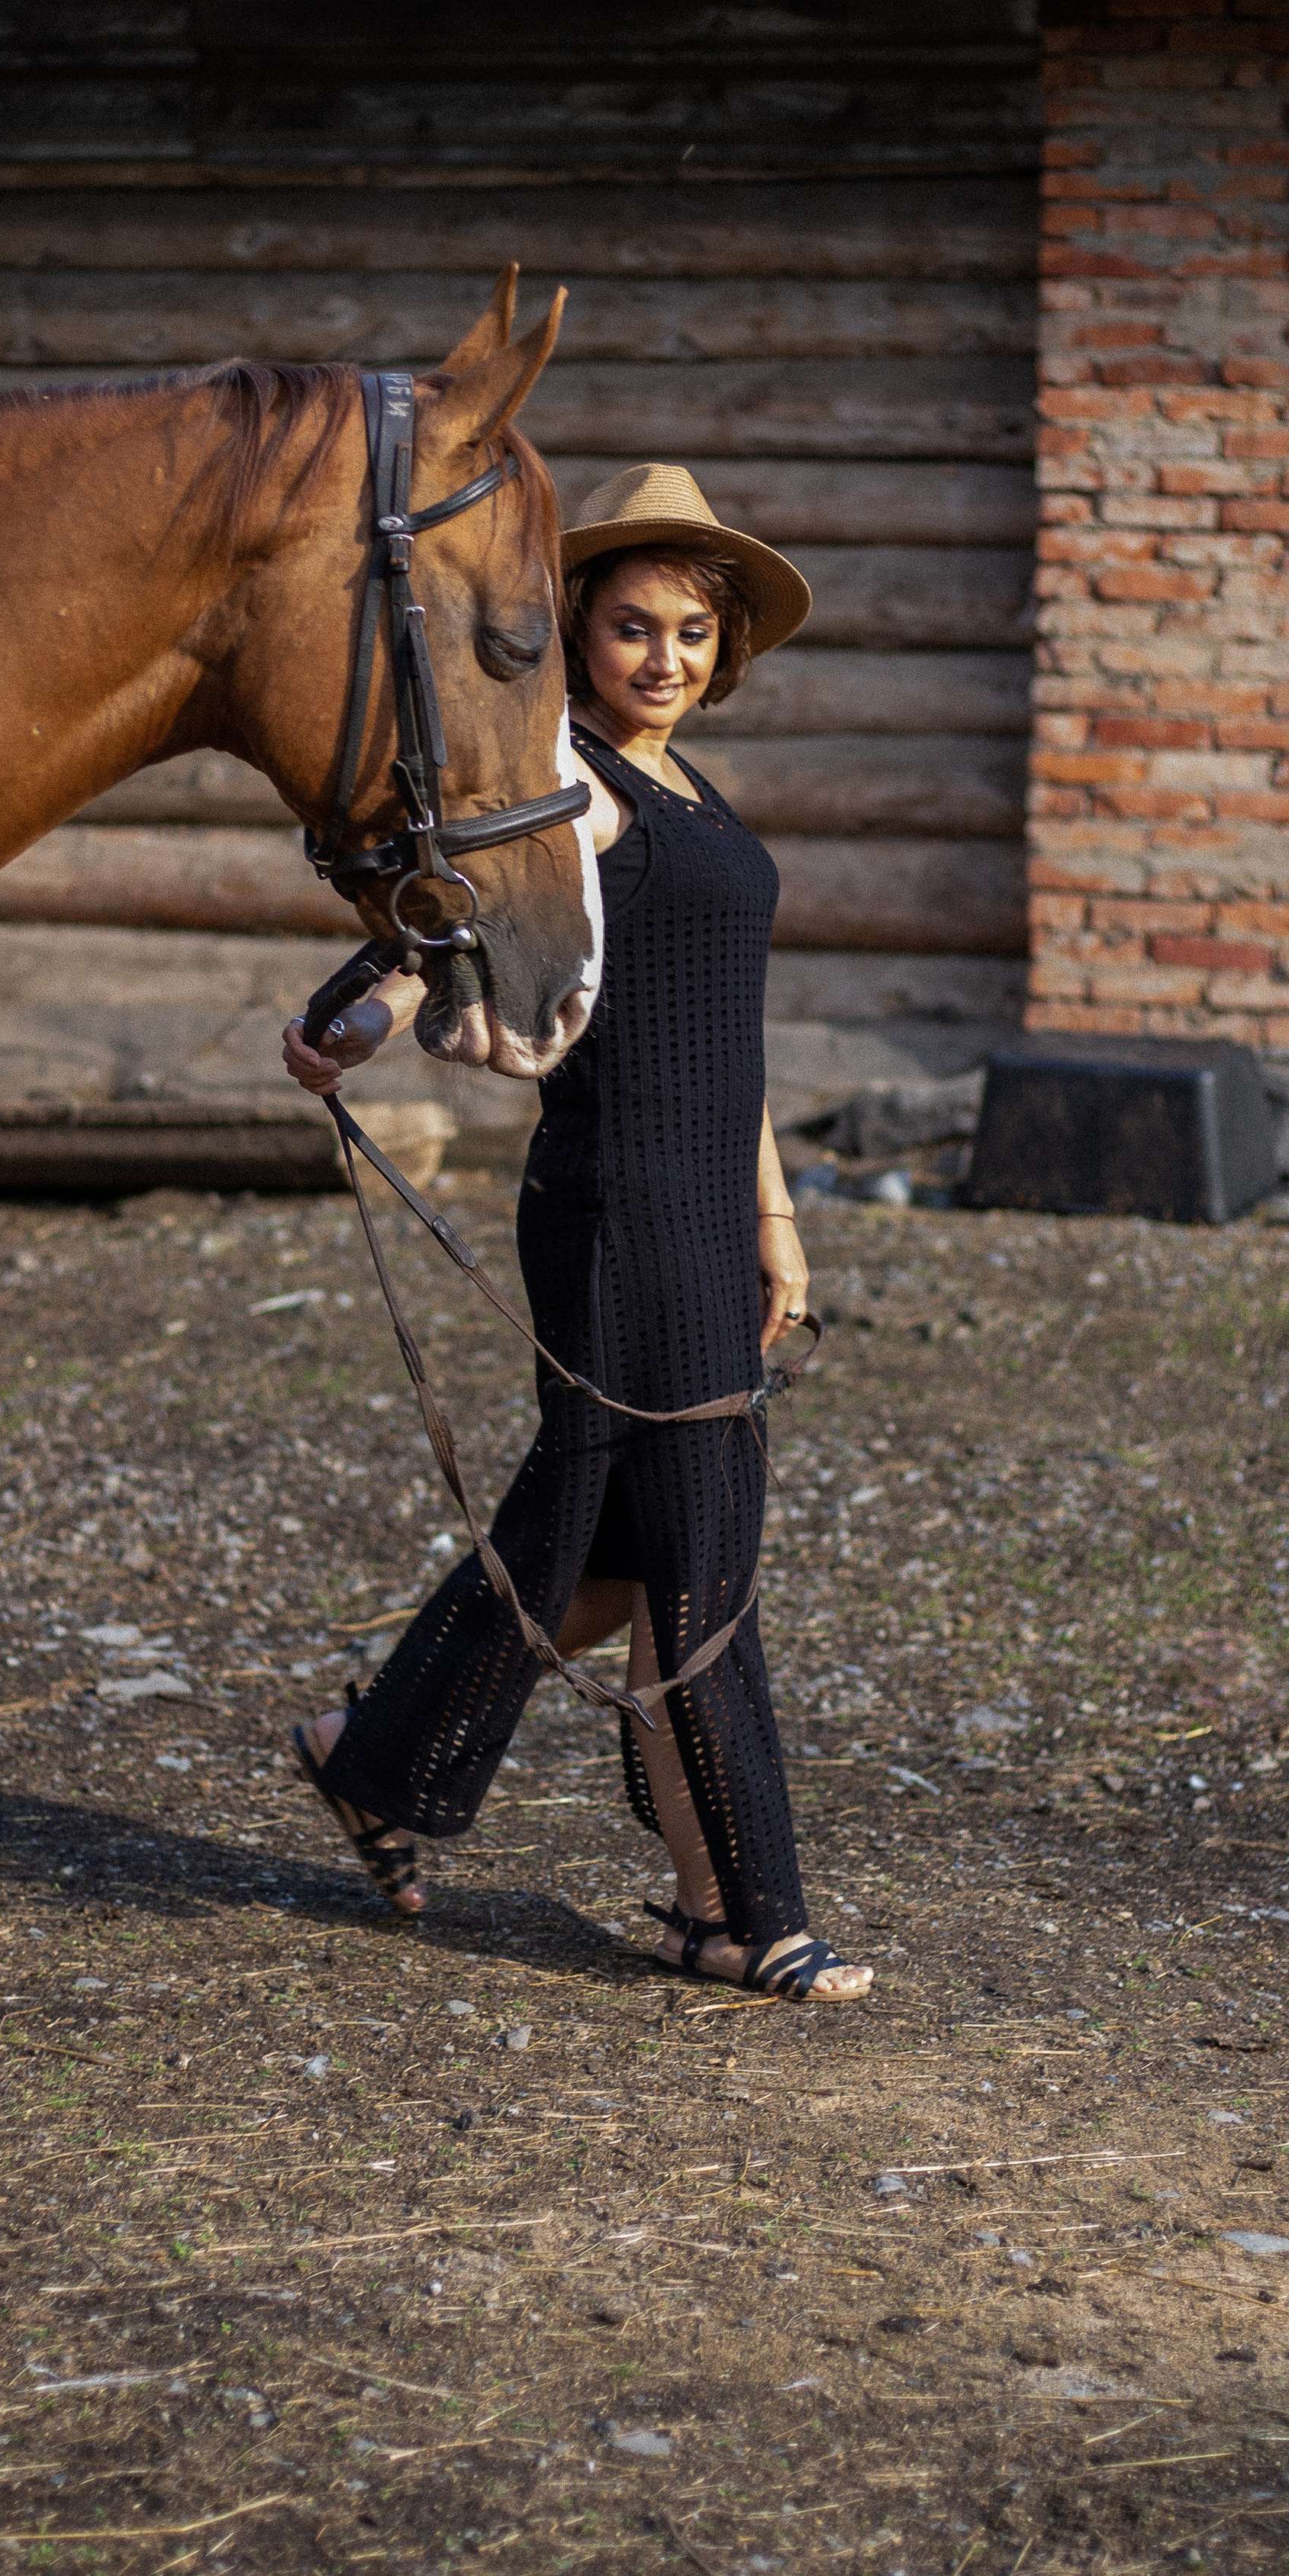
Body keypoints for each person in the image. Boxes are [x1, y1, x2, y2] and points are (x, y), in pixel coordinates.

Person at [282, 463, 871, 2003]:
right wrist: (367, 1006)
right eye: (629, 627)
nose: (661, 657)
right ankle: (736, 1907)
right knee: (701, 1553)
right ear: (576, 634)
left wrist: (778, 1226)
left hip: (701, 1209)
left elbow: (716, 1044)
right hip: (609, 1216)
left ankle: (377, 1758)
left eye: (689, 631)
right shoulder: (574, 777)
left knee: (598, 1550)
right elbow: (455, 912)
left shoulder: (691, 790)